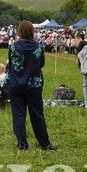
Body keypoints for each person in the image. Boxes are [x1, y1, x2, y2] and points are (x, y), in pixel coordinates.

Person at [6, 21, 55, 151]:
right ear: (32, 31)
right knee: (37, 114)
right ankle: (45, 143)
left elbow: (10, 64)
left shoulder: (13, 47)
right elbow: (41, 64)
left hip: (16, 84)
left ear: (19, 32)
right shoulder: (38, 47)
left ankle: (22, 144)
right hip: (34, 84)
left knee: (18, 114)